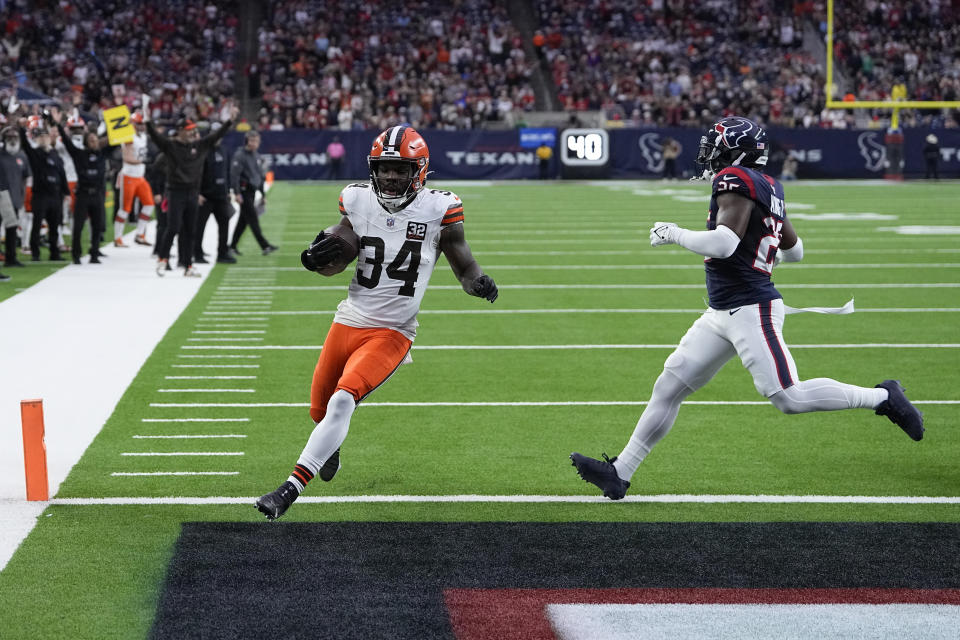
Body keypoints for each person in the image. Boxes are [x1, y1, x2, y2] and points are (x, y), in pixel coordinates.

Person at [570, 116, 925, 500]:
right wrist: (762, 245)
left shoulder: (736, 180)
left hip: (751, 307)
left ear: (738, 150)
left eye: (718, 144)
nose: (711, 152)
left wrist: (673, 234)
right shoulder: (768, 185)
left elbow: (723, 244)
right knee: (669, 386)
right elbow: (796, 251)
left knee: (788, 397)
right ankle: (619, 472)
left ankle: (884, 397)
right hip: (723, 310)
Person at [256, 125, 499, 520]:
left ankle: (289, 489)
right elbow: (338, 259)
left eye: (399, 169)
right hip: (349, 318)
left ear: (419, 170)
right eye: (384, 168)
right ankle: (327, 449)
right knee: (320, 410)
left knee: (341, 401)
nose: (389, 176)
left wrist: (479, 283)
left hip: (393, 330)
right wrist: (315, 259)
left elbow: (463, 264)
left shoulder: (441, 208)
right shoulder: (355, 199)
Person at [144, 102, 237, 277]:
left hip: (192, 193)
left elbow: (216, 135)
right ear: (180, 131)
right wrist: (148, 121)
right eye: (189, 129)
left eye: (194, 129)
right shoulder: (170, 147)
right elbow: (156, 137)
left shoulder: (199, 146)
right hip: (176, 191)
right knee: (173, 227)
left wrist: (229, 121)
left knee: (190, 229)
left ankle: (187, 265)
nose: (193, 132)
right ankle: (163, 259)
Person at [53, 109, 109, 264]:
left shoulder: (102, 155)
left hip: (97, 194)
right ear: (86, 142)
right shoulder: (79, 154)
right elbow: (66, 141)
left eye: (95, 140)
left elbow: (114, 140)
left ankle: (94, 253)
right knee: (78, 227)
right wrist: (58, 124)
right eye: (91, 140)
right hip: (83, 194)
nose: (94, 142)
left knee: (97, 226)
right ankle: (76, 255)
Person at [18, 113, 67, 262]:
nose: (43, 138)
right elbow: (25, 145)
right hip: (41, 194)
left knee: (54, 225)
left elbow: (62, 173)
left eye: (45, 136)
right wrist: (21, 128)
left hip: (55, 194)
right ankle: (35, 253)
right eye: (41, 137)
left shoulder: (55, 155)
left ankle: (54, 252)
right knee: (37, 224)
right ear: (37, 139)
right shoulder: (35, 154)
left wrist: (65, 191)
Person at [229, 130, 277, 256]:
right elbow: (234, 176)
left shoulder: (256, 155)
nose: (254, 143)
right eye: (252, 140)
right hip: (244, 192)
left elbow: (259, 176)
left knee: (243, 222)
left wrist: (262, 194)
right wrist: (237, 193)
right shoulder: (240, 155)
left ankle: (232, 246)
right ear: (246, 141)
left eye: (256, 141)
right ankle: (265, 246)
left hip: (252, 192)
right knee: (253, 219)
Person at [194, 126, 235, 264]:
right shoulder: (202, 150)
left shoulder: (224, 150)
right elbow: (196, 173)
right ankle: (197, 253)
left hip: (221, 195)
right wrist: (197, 192)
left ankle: (222, 253)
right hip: (205, 195)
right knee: (199, 226)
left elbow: (227, 172)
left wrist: (228, 190)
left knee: (225, 225)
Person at [115, 112, 156, 247]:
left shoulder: (143, 136)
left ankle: (140, 234)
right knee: (125, 208)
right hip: (129, 176)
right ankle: (118, 238)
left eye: (142, 123)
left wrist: (142, 161)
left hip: (140, 176)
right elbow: (126, 157)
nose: (142, 126)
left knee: (149, 204)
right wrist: (142, 161)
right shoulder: (129, 136)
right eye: (139, 123)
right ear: (132, 123)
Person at [0, 126, 29, 268]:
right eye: (9, 137)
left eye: (15, 137)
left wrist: (22, 195)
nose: (12, 140)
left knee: (12, 229)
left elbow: (25, 177)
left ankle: (11, 258)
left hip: (15, 197)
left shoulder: (21, 155)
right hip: (1, 196)